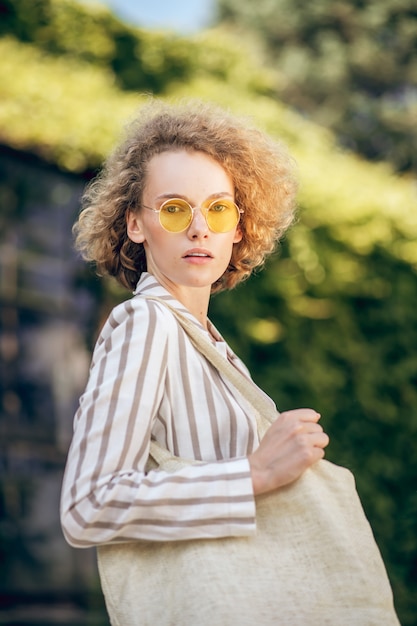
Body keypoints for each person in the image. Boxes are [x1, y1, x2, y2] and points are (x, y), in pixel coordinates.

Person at [60, 99, 330, 608]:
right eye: (175, 208)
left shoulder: (211, 346)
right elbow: (89, 505)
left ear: (240, 226)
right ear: (136, 224)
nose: (199, 228)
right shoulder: (145, 322)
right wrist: (254, 474)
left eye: (219, 208)